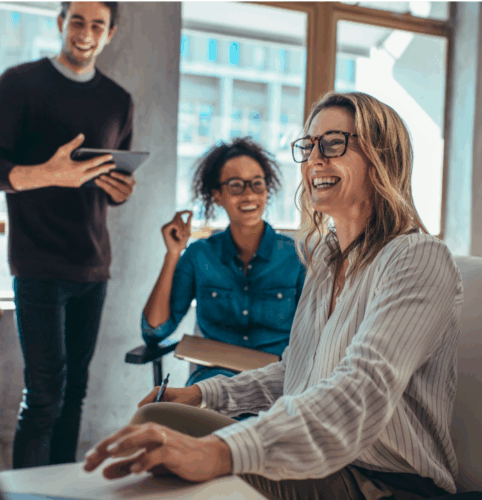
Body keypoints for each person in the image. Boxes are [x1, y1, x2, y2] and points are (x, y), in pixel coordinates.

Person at [84, 92, 462, 500]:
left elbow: (359, 392)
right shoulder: (325, 259)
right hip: (318, 455)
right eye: (309, 146)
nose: (315, 159)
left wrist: (219, 451)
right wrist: (203, 393)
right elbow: (296, 371)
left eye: (334, 143)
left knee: (182, 469)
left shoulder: (418, 257)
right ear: (217, 196)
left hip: (381, 479)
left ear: (381, 156)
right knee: (156, 420)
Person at [0, 2, 136, 468]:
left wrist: (121, 190)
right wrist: (48, 174)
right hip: (37, 263)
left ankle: (62, 491)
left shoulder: (118, 100)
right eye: (77, 21)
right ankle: (31, 492)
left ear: (109, 34)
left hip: (93, 264)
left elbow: (113, 184)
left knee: (74, 395)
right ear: (60, 23)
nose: (85, 33)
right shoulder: (19, 83)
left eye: (97, 25)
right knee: (45, 396)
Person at [141, 137, 305, 386]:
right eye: (236, 186)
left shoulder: (297, 256)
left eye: (257, 184)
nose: (249, 194)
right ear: (217, 195)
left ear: (267, 191)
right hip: (211, 386)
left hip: (278, 386)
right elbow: (155, 330)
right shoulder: (199, 255)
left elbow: (319, 336)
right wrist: (172, 254)